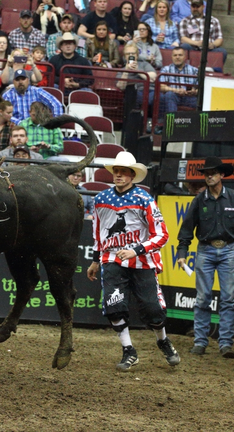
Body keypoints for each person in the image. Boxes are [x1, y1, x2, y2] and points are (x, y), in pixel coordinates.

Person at [86, 151, 180, 372]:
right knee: (114, 307)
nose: (118, 175)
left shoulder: (145, 200)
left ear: (132, 175)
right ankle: (128, 350)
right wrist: (95, 259)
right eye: (116, 171)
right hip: (111, 259)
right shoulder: (101, 199)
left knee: (153, 310)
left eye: (123, 172)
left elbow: (162, 235)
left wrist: (135, 250)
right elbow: (97, 231)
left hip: (142, 262)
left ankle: (163, 340)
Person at [176, 156, 234, 358]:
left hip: (227, 250)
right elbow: (186, 229)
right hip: (206, 250)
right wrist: (182, 253)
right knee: (203, 298)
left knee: (228, 298)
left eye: (213, 173)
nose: (209, 176)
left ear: (221, 175)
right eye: (206, 173)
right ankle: (201, 341)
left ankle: (225, 343)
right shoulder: (199, 200)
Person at [155, 47, 198, 134]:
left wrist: (194, 91)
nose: (177, 57)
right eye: (175, 55)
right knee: (169, 95)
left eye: (180, 55)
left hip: (189, 97)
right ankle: (173, 127)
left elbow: (200, 87)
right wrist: (176, 90)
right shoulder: (166, 69)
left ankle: (198, 130)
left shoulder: (194, 70)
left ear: (185, 57)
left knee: (202, 100)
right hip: (174, 97)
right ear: (172, 57)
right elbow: (161, 87)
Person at [178, 0, 227, 65]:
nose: (195, 9)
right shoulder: (185, 21)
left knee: (222, 51)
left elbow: (219, 39)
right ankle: (186, 68)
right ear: (190, 7)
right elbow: (183, 39)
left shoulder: (213, 20)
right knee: (184, 46)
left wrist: (213, 44)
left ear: (203, 7)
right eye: (193, 6)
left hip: (209, 49)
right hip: (193, 47)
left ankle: (213, 71)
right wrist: (197, 43)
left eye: (198, 6)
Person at [115, 42, 156, 111]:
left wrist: (137, 71)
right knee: (135, 96)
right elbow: (121, 86)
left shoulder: (145, 64)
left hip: (150, 90)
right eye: (128, 54)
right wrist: (126, 71)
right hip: (134, 93)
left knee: (159, 97)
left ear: (137, 55)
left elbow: (153, 77)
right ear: (125, 57)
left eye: (133, 53)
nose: (131, 55)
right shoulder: (122, 70)